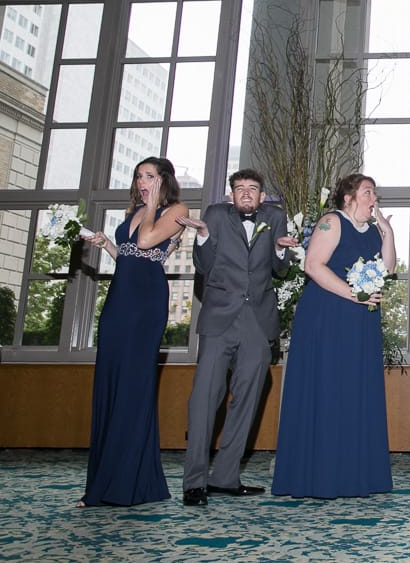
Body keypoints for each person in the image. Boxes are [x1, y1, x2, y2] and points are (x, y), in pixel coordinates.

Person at [176, 169, 297, 507]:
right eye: (239, 189)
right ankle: (194, 482)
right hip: (219, 320)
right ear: (231, 195)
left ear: (261, 195)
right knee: (204, 400)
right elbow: (204, 265)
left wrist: (278, 249)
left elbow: (281, 269)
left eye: (252, 189)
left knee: (246, 402)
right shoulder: (215, 214)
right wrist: (202, 237)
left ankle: (226, 478)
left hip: (258, 322)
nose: (246, 194)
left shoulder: (275, 217)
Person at [271, 173, 396, 498]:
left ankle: (354, 474)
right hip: (327, 317)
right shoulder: (331, 222)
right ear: (348, 197)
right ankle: (320, 474)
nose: (373, 199)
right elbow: (313, 266)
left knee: (354, 391)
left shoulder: (371, 231)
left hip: (360, 321)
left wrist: (388, 233)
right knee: (328, 388)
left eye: (374, 193)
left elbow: (388, 268)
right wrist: (354, 294)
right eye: (368, 192)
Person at [78, 156, 188, 506]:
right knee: (111, 380)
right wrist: (107, 245)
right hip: (119, 298)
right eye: (139, 176)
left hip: (145, 302)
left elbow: (146, 245)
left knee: (133, 386)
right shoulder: (133, 214)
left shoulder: (175, 210)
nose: (143, 182)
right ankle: (104, 482)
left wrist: (154, 204)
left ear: (164, 180)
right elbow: (128, 253)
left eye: (150, 176)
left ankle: (127, 482)